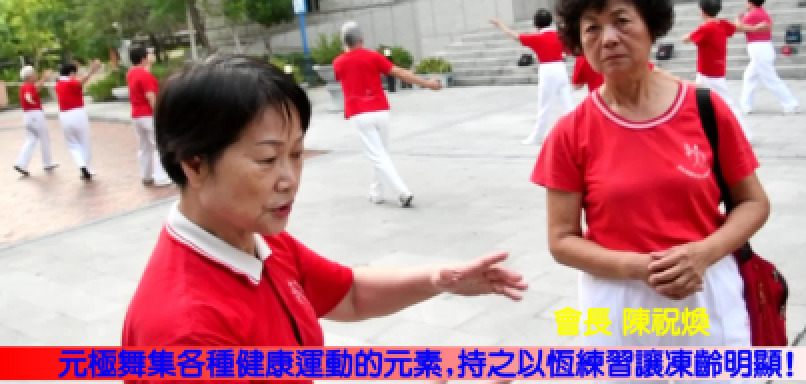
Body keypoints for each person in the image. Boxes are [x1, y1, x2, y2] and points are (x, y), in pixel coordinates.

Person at [122, 56, 528, 384]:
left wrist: (438, 280)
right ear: (195, 164)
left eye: (297, 154)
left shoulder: (254, 237)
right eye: (267, 159)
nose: (290, 179)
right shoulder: (186, 335)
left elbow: (348, 294)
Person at [533, 0, 770, 369]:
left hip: (704, 288)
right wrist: (639, 267)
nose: (608, 38)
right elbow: (561, 239)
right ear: (578, 43)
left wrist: (703, 254)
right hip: (618, 297)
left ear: (651, 26)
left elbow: (754, 203)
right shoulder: (570, 132)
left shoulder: (706, 108)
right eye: (591, 28)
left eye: (622, 21)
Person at [333, 21, 442, 207]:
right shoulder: (373, 56)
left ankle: (402, 192)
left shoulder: (338, 62)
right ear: (362, 39)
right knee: (381, 154)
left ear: (344, 42)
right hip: (380, 110)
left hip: (359, 113)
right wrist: (427, 84)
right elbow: (399, 72)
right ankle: (376, 193)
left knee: (377, 155)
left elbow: (342, 72)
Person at [490, 10, 575, 145]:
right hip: (561, 69)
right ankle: (576, 133)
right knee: (568, 105)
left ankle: (537, 136)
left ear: (536, 24)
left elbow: (515, 36)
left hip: (547, 71)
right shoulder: (559, 36)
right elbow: (569, 51)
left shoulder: (537, 38)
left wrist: (500, 24)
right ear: (550, 22)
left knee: (544, 107)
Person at [682, 0, 759, 139]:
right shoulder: (722, 24)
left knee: (726, 103)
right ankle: (701, 132)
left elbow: (686, 39)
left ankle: (744, 133)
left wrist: (688, 34)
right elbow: (736, 28)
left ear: (702, 11)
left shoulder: (706, 28)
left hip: (708, 73)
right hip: (713, 71)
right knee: (698, 101)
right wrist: (753, 28)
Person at [736, 0, 800, 115]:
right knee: (749, 76)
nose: (745, 3)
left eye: (747, 0)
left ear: (751, 2)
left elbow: (738, 28)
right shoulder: (763, 13)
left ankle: (790, 104)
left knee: (770, 79)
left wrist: (738, 19)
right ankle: (746, 105)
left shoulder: (753, 14)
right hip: (762, 48)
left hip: (759, 49)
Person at [128, 47, 172, 187]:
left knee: (144, 146)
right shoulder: (145, 75)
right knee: (159, 145)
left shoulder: (131, 73)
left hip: (136, 114)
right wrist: (159, 114)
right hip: (148, 114)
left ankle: (146, 175)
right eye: (149, 55)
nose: (151, 56)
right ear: (143, 58)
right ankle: (161, 177)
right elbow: (150, 96)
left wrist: (149, 64)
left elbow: (144, 77)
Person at [55, 59, 101, 180]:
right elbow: (81, 81)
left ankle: (81, 165)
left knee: (72, 144)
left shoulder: (58, 83)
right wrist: (92, 70)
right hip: (78, 113)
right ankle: (87, 167)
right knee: (84, 141)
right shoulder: (71, 82)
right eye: (74, 73)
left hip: (64, 116)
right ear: (71, 73)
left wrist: (78, 69)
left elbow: (78, 79)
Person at [13, 66, 59, 177]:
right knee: (44, 138)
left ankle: (20, 163)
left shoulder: (27, 86)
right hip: (35, 115)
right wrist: (30, 100)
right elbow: (28, 95)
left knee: (31, 139)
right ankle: (47, 163)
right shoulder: (28, 86)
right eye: (34, 74)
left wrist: (44, 78)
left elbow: (37, 88)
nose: (36, 75)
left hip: (27, 116)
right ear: (30, 76)